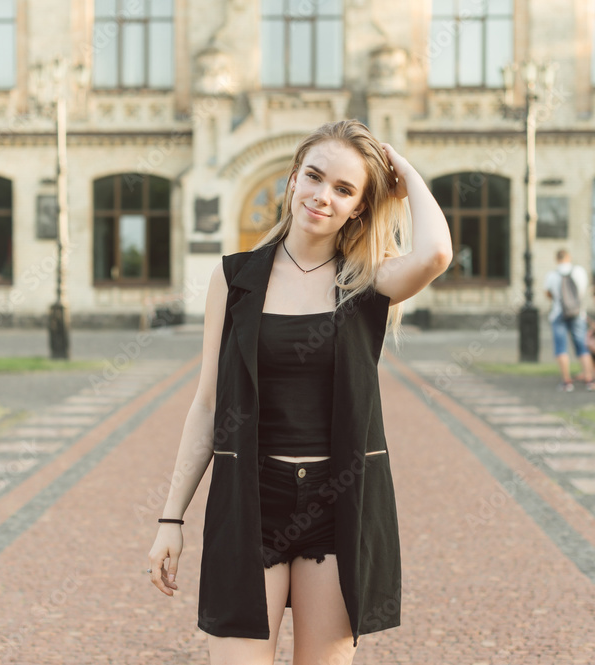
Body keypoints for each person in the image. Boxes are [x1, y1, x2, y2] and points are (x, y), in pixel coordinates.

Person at [146, 119, 452, 663]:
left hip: (338, 503)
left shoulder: (366, 280)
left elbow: (434, 255)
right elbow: (208, 403)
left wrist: (400, 171)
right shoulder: (235, 278)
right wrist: (172, 517)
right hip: (249, 499)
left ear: (360, 206)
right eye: (314, 176)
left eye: (343, 189)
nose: (322, 196)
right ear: (293, 178)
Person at [543, 249, 595, 391]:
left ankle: (567, 382)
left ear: (557, 259)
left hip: (558, 314)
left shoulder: (552, 275)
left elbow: (548, 294)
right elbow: (582, 291)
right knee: (582, 346)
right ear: (569, 257)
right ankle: (589, 380)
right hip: (577, 313)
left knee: (561, 348)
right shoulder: (579, 271)